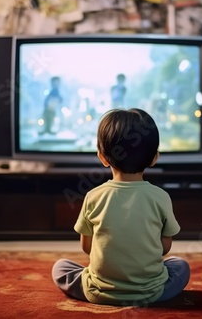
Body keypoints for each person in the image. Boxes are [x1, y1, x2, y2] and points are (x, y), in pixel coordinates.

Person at [52, 108, 190, 306]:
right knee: (180, 266)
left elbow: (87, 247)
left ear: (102, 157)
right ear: (154, 158)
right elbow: (164, 248)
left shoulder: (93, 197)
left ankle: (104, 292)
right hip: (151, 292)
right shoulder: (161, 197)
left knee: (60, 267)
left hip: (98, 290)